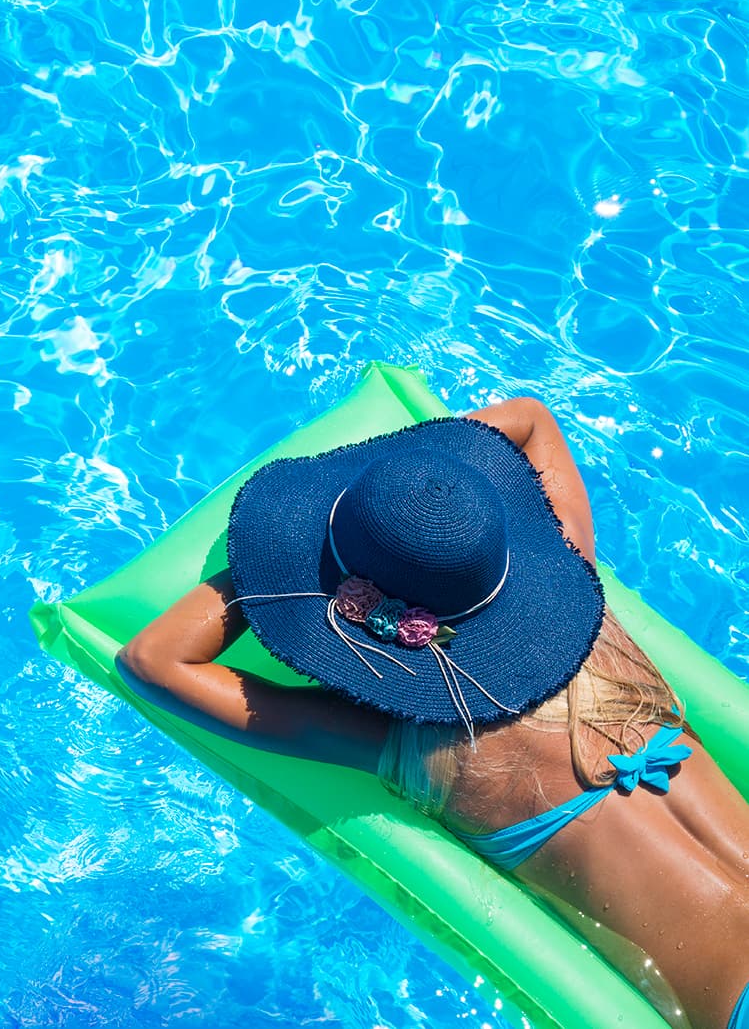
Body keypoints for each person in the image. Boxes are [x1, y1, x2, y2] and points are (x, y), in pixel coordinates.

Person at [115, 397, 749, 1029]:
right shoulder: (584, 603)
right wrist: (431, 513)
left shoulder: (412, 742)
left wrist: (284, 559)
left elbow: (151, 662)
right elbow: (529, 419)